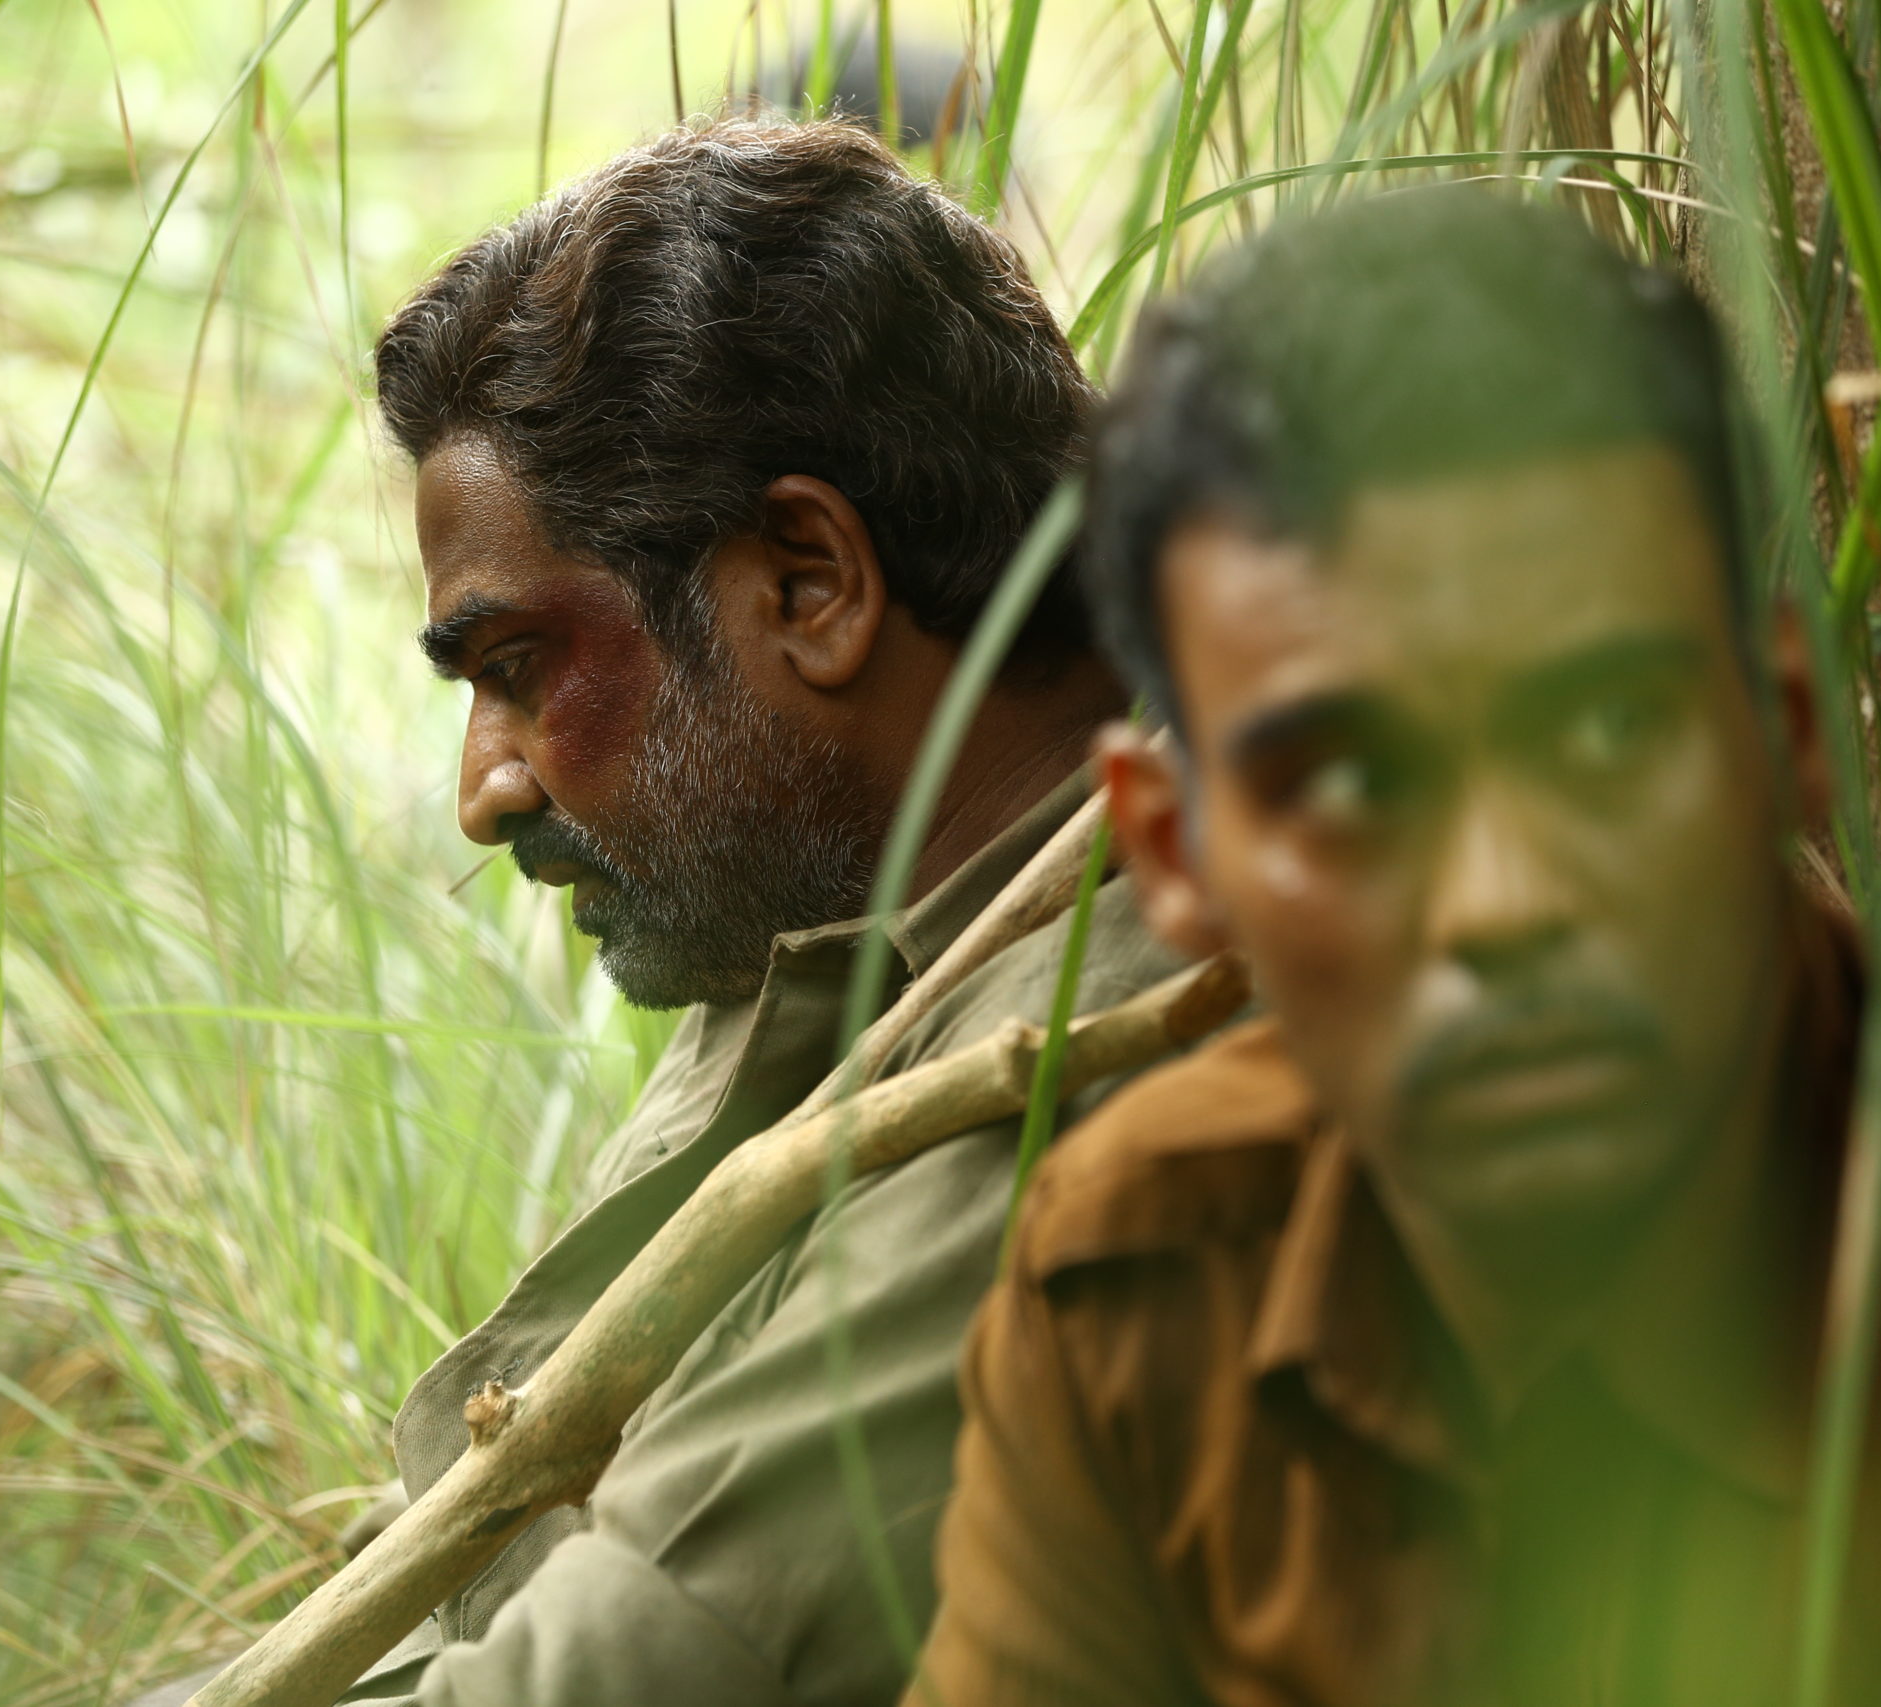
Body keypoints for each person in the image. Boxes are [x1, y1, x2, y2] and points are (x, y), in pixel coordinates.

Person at [910, 191, 1881, 1707]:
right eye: (1352, 786)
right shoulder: (1137, 1285)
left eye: (1609, 729)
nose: (1500, 904)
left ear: (1788, 729)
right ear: (1178, 856)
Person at [319, 119, 1178, 1707]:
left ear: (810, 583)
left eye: (520, 667)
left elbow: (625, 1675)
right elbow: (447, 1592)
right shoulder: (820, 941)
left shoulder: (1118, 1023)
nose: (485, 790)